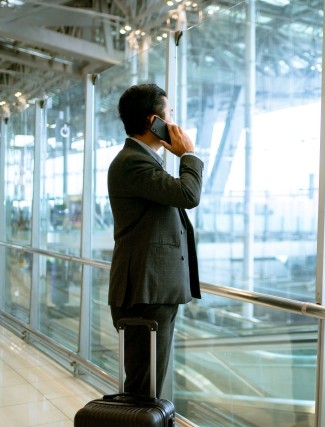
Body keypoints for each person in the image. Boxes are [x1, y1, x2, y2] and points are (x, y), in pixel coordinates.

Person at [107, 83, 203, 397]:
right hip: (145, 293)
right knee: (143, 388)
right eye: (169, 116)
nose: (174, 124)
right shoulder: (133, 162)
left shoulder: (142, 161)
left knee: (147, 385)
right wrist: (188, 154)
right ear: (153, 122)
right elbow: (188, 194)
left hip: (151, 290)